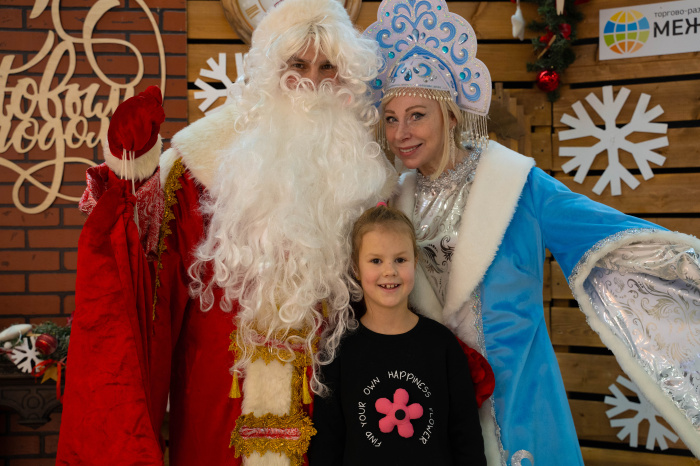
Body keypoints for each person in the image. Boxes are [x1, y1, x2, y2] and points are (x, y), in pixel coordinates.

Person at [56, 0, 396, 464]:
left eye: (327, 68)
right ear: (270, 69)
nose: (312, 82)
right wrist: (129, 175)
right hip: (216, 406)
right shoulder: (197, 167)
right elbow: (143, 272)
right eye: (298, 65)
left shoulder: (363, 177)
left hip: (328, 410)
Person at [362, 0, 700, 464]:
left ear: (451, 115)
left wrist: (688, 266)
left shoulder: (517, 185)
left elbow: (612, 239)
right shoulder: (392, 200)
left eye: (417, 115)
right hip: (432, 410)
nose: (402, 132)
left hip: (520, 399)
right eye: (391, 118)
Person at [309, 204, 487, 465]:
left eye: (400, 260)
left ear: (415, 262)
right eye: (376, 261)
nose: (389, 271)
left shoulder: (442, 345)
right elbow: (326, 445)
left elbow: (467, 438)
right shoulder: (338, 350)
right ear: (356, 268)